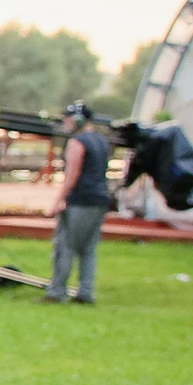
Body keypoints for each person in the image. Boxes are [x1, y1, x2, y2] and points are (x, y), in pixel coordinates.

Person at [45, 102, 111, 305]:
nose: (65, 122)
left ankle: (57, 292)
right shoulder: (102, 141)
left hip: (81, 200)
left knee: (65, 246)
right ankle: (85, 292)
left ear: (78, 120)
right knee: (88, 249)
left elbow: (72, 174)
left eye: (68, 118)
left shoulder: (77, 142)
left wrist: (59, 200)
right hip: (100, 199)